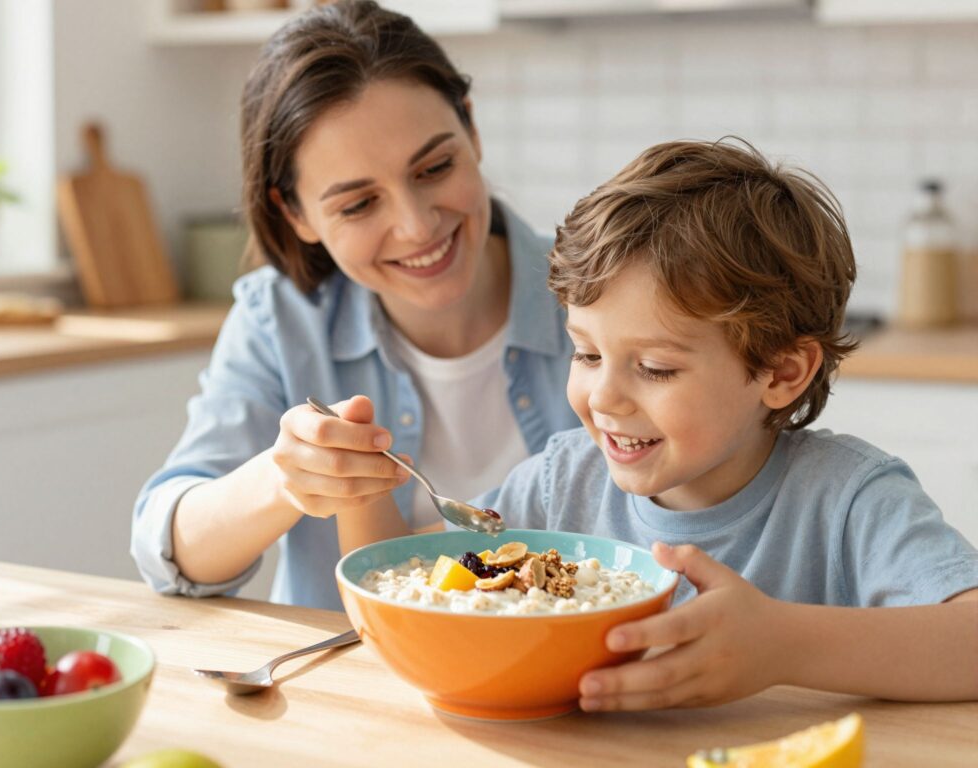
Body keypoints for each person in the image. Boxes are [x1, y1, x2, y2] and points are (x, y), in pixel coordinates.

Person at [473, 138, 978, 710]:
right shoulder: (557, 484)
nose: (604, 397)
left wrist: (784, 645)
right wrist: (363, 493)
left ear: (782, 372)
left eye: (655, 368)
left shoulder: (847, 501)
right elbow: (417, 585)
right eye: (586, 355)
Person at [130, 0, 578, 610]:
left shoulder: (600, 292)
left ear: (471, 129)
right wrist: (282, 477)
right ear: (296, 213)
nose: (417, 226)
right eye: (358, 204)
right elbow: (171, 548)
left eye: (436, 166)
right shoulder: (280, 320)